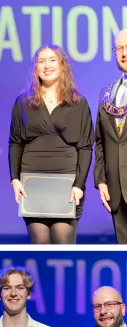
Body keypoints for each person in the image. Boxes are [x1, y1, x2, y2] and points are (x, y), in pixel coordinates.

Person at [9, 44, 94, 244]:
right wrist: (15, 179)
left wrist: (79, 185)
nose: (46, 65)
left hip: (67, 185)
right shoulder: (23, 103)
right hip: (33, 184)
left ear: (63, 65)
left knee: (63, 246)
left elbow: (85, 147)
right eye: (41, 61)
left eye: (52, 60)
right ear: (35, 68)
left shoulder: (78, 103)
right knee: (39, 246)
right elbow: (15, 142)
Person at [94, 29, 127, 243]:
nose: (124, 53)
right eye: (120, 49)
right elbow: (100, 142)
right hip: (117, 192)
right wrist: (102, 180)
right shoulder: (107, 93)